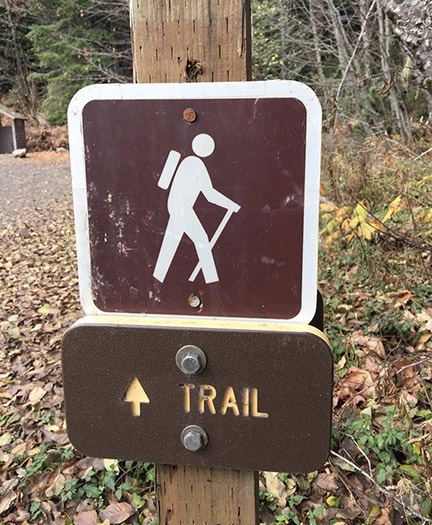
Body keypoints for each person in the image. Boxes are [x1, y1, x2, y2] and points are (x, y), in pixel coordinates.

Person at [153, 133, 240, 284]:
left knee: (170, 242)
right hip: (182, 209)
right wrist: (231, 205)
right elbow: (209, 195)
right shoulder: (196, 164)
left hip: (175, 207)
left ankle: (158, 278)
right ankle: (212, 280)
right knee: (202, 240)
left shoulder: (187, 161)